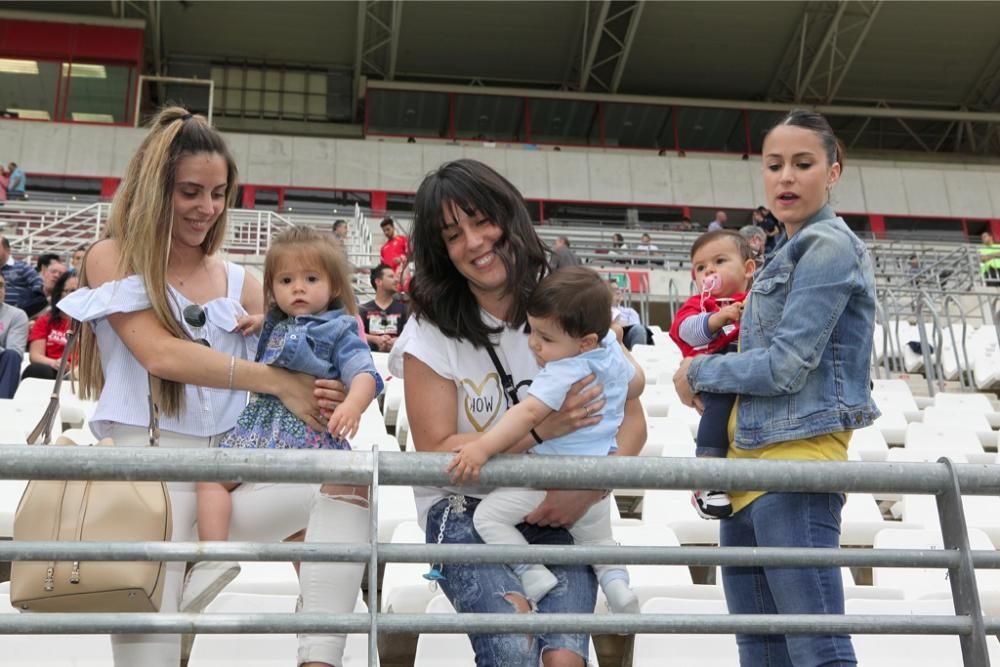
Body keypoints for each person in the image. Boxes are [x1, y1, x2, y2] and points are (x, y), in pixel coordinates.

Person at [59, 107, 365, 667]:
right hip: (146, 483)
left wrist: (335, 392)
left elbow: (313, 356)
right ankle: (194, 574)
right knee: (148, 659)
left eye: (219, 193)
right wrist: (276, 380)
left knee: (346, 484)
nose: (208, 208)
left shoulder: (242, 281)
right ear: (157, 190)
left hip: (228, 479)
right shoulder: (111, 256)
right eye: (191, 192)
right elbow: (158, 353)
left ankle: (319, 657)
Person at [389, 158, 646, 666]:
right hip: (464, 510)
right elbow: (438, 453)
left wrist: (587, 490)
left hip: (564, 502)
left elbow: (631, 419)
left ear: (509, 216)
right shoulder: (430, 330)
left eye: (482, 220)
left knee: (564, 659)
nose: (475, 242)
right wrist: (538, 431)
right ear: (442, 251)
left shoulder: (565, 297)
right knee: (515, 642)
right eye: (453, 234)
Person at [674, 109, 878, 666]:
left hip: (795, 464)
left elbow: (786, 366)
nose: (786, 177)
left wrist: (697, 373)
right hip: (746, 471)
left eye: (803, 164)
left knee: (817, 648)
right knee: (761, 651)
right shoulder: (776, 257)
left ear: (833, 171)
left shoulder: (829, 248)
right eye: (775, 165)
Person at [189, 226, 382, 610]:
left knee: (212, 478)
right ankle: (221, 564)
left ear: (335, 287)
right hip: (271, 433)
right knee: (298, 530)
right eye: (286, 280)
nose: (298, 288)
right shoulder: (277, 322)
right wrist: (262, 322)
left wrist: (352, 405)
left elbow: (365, 373)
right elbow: (287, 331)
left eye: (311, 279)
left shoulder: (341, 330)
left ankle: (215, 558)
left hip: (294, 437)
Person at [447, 266, 642, 614]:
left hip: (549, 472)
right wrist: (615, 339)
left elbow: (526, 415)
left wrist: (482, 447)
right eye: (532, 331)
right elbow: (636, 383)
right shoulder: (609, 353)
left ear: (585, 342)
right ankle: (617, 586)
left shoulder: (563, 370)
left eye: (547, 339)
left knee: (488, 519)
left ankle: (531, 572)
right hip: (596, 474)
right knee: (597, 540)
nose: (535, 344)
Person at [669, 230, 754, 520]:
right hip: (713, 373)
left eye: (720, 261)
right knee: (717, 409)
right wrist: (718, 318)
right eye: (701, 267)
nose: (709, 271)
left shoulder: (758, 299)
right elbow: (685, 331)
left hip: (749, 374)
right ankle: (707, 479)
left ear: (748, 268)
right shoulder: (699, 305)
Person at [21, 271, 77, 381]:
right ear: (60, 293)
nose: (74, 295)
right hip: (51, 368)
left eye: (79, 291)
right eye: (70, 291)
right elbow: (35, 355)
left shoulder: (91, 325)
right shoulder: (45, 320)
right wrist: (54, 363)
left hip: (77, 373)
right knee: (37, 370)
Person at [359, 263, 408, 352]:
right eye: (391, 277)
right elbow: (356, 333)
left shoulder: (405, 309)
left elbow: (411, 335)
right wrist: (375, 339)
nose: (396, 280)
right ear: (378, 282)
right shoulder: (363, 309)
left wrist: (397, 341)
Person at [0, 235, 45, 317]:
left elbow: (38, 285)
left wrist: (24, 303)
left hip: (16, 314)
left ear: (8, 250)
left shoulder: (22, 267)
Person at [0, 275, 28, 398]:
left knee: (12, 356)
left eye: (1, 286)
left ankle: (3, 407)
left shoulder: (17, 315)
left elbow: (15, 351)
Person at [609, 279, 650, 350]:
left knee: (639, 329)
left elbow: (636, 329)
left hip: (625, 339)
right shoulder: (600, 311)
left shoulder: (630, 312)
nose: (618, 292)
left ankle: (637, 357)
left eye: (618, 289)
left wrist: (616, 324)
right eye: (614, 290)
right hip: (608, 340)